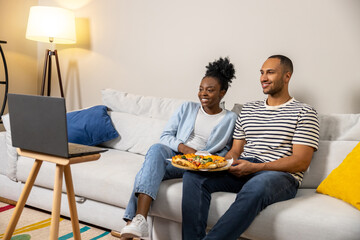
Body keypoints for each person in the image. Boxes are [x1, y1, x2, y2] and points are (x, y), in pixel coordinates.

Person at [182, 55, 320, 240]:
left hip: (279, 175)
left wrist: (257, 167)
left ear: (287, 77)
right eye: (262, 73)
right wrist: (223, 163)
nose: (263, 78)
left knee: (257, 185)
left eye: (270, 72)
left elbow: (301, 162)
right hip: (245, 166)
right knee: (194, 175)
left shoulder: (305, 112)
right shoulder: (248, 109)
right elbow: (236, 151)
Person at [120, 57, 238, 239]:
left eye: (210, 90)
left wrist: (207, 158)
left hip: (200, 164)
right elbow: (165, 136)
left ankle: (131, 222)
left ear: (222, 93)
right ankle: (140, 220)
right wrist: (185, 149)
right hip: (175, 155)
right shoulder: (187, 108)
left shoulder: (230, 119)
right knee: (156, 149)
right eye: (200, 89)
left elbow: (228, 149)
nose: (203, 94)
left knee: (147, 171)